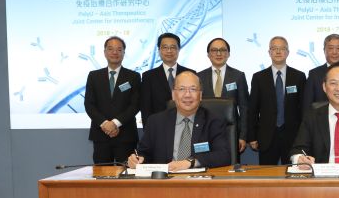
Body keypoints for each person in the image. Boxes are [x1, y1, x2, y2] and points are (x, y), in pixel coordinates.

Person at [128, 71, 231, 171]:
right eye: (182, 89)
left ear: (200, 95)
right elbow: (143, 153)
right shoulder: (156, 122)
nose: (187, 95)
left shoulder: (213, 121)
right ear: (173, 94)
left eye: (193, 89)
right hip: (164, 183)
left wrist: (190, 162)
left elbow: (223, 155)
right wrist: (136, 159)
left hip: (199, 182)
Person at [247, 36, 306, 165]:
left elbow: (303, 109)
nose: (278, 52)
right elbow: (252, 110)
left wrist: (303, 137)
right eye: (274, 48)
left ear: (288, 52)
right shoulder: (258, 77)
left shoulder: (299, 77)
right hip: (267, 136)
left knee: (293, 175)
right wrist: (252, 137)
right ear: (269, 52)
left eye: (282, 48)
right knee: (266, 176)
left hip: (293, 137)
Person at [84, 36, 141, 164]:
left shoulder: (134, 76)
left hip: (126, 135)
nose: (115, 53)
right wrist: (105, 124)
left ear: (124, 53)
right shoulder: (94, 76)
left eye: (119, 49)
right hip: (101, 135)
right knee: (101, 175)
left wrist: (115, 123)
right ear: (105, 52)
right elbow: (89, 104)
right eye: (110, 49)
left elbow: (135, 105)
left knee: (128, 175)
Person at [197, 37, 249, 153]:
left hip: (231, 132)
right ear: (208, 54)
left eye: (223, 50)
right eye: (214, 50)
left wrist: (243, 136)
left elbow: (244, 108)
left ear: (228, 54)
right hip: (205, 132)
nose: (218, 53)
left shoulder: (238, 76)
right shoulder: (199, 77)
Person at [140, 32, 194, 126]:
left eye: (173, 47)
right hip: (159, 128)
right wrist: (149, 132)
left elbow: (194, 103)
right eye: (165, 47)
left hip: (186, 126)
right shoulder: (148, 76)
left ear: (179, 49)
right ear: (159, 50)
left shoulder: (191, 74)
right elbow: (146, 109)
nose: (169, 51)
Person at [302, 34, 339, 110]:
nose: (334, 52)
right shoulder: (314, 74)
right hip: (319, 120)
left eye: (338, 48)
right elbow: (307, 105)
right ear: (324, 50)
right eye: (330, 48)